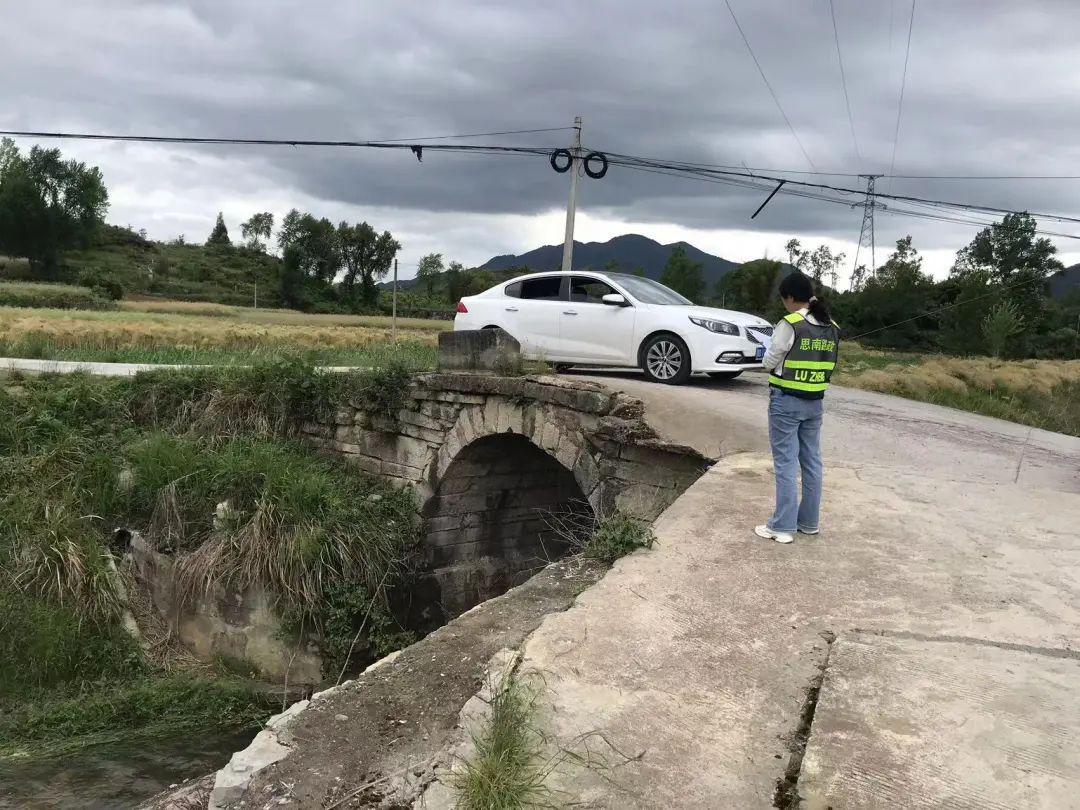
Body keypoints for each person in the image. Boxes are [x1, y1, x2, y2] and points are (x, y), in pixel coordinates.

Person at [755, 273, 840, 545]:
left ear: (790, 298)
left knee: (786, 462)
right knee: (812, 462)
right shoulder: (831, 325)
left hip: (786, 400)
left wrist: (763, 355)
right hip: (815, 401)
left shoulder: (790, 323)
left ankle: (782, 526)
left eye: (784, 299)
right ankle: (808, 523)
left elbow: (771, 360)